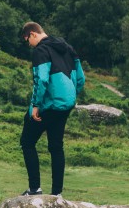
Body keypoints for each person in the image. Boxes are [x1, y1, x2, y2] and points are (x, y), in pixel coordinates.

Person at [18, 22, 84, 197]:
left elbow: (42, 80)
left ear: (32, 34)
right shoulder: (68, 48)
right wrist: (71, 96)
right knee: (56, 147)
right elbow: (81, 79)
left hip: (48, 106)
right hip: (65, 106)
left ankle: (34, 190)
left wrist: (36, 106)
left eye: (27, 40)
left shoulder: (40, 51)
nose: (29, 45)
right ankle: (57, 194)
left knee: (27, 142)